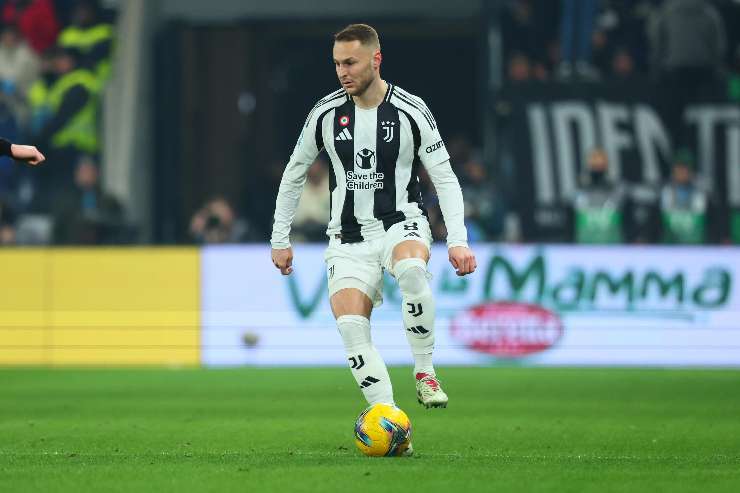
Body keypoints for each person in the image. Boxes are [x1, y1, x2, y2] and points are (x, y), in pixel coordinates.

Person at [270, 24, 476, 427]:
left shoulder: (411, 110)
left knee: (414, 270)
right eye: (336, 64)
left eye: (351, 62)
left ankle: (424, 371)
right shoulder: (325, 114)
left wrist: (458, 240)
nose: (342, 72)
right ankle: (390, 419)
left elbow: (445, 176)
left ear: (375, 60)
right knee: (351, 328)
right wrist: (280, 237)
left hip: (401, 221)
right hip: (347, 238)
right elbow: (294, 173)